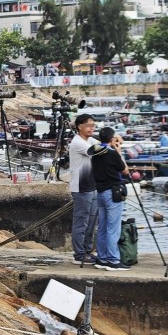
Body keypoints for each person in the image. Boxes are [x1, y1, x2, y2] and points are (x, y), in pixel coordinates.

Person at [91, 127, 131, 271]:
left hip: (100, 192)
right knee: (113, 228)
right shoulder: (112, 154)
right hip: (113, 192)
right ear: (111, 139)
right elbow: (124, 170)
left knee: (102, 227)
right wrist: (118, 152)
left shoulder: (95, 153)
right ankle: (113, 260)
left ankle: (102, 258)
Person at [69, 113, 99, 266]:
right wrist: (108, 144)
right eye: (88, 125)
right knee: (81, 222)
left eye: (93, 125)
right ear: (80, 126)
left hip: (92, 185)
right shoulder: (78, 143)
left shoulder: (90, 139)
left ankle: (88, 251)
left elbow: (102, 145)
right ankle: (79, 254)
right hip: (81, 187)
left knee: (92, 221)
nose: (91, 128)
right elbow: (98, 150)